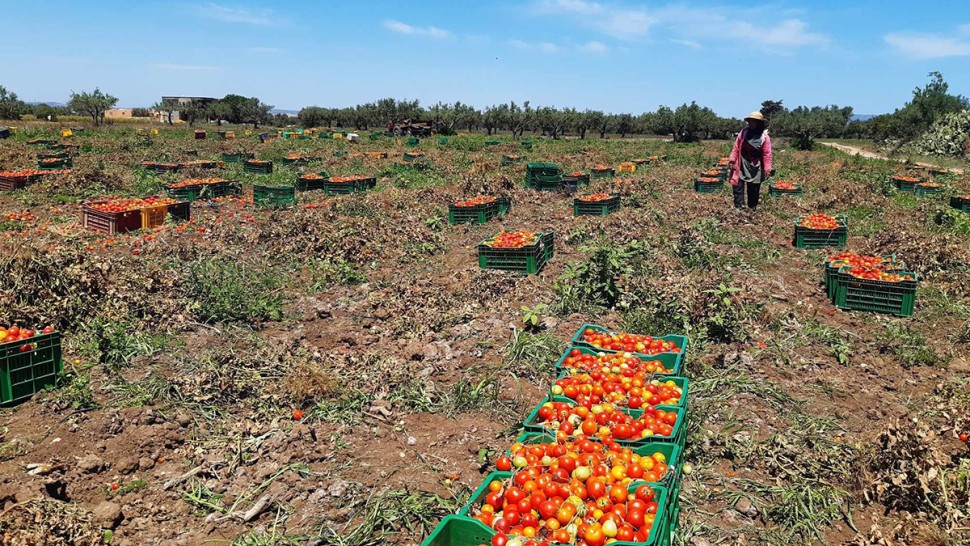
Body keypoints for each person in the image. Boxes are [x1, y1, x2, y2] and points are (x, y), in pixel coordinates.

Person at [728, 111, 772, 210]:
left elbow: (767, 154)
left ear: (759, 123)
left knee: (754, 188)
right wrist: (732, 160)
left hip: (756, 165)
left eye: (754, 122)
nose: (751, 124)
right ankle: (738, 207)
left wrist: (767, 168)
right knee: (738, 186)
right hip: (741, 163)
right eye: (750, 121)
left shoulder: (764, 137)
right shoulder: (744, 132)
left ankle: (752, 208)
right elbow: (736, 146)